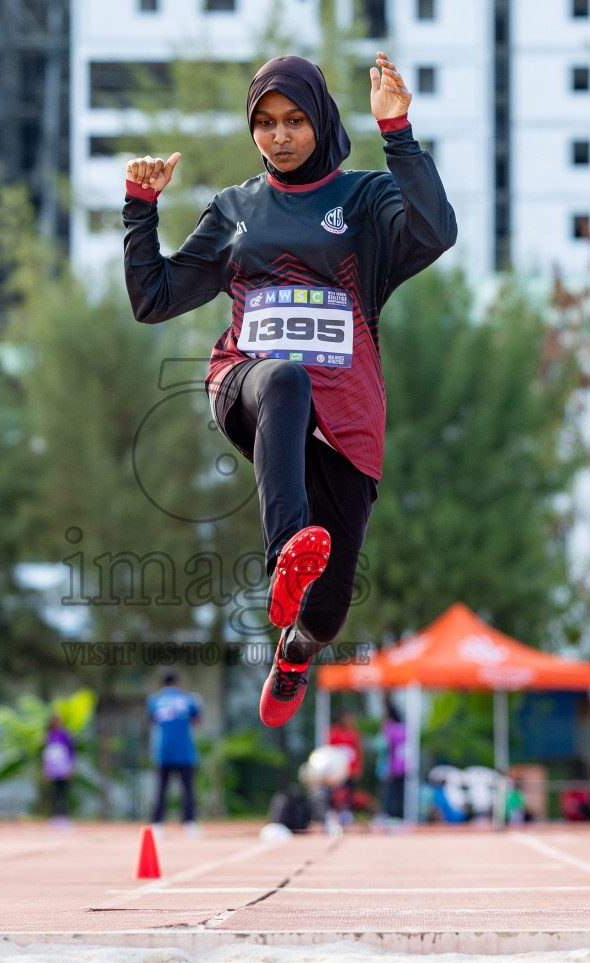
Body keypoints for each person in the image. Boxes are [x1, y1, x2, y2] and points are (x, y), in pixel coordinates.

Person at [123, 53, 456, 728]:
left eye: (295, 121)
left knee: (330, 610)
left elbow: (435, 231)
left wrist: (398, 131)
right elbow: (153, 298)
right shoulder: (236, 210)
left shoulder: (364, 202)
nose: (279, 136)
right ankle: (286, 554)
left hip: (348, 414)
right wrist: (140, 209)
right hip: (250, 386)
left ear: (322, 120)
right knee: (284, 375)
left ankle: (295, 652)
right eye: (266, 123)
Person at [147, 672, 202, 827]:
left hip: (163, 752)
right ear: (177, 682)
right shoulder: (189, 699)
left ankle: (157, 822)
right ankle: (189, 822)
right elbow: (197, 721)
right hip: (185, 752)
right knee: (188, 789)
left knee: (161, 789)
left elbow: (152, 722)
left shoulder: (154, 700)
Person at [327, 711, 363, 816]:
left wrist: (358, 767)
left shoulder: (354, 733)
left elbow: (358, 752)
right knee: (336, 793)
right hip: (337, 770)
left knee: (349, 792)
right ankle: (335, 813)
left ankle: (347, 813)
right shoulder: (334, 732)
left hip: (350, 769)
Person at [42, 711, 76, 821]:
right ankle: (55, 816)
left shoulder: (65, 735)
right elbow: (47, 753)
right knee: (54, 792)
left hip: (63, 767)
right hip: (53, 768)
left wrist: (70, 767)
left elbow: (70, 751)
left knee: (63, 792)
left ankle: (64, 816)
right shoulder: (49, 735)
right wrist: (46, 767)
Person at [376, 703, 407, 820]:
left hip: (390, 767)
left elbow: (382, 746)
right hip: (403, 767)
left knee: (389, 793)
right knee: (399, 793)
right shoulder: (405, 728)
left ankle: (389, 815)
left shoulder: (389, 728)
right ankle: (398, 815)